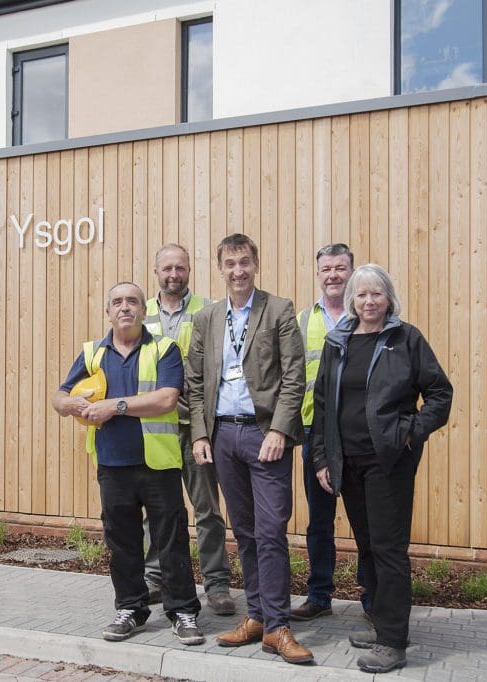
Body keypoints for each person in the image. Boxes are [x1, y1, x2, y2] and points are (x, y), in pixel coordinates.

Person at [310, 264, 452, 673]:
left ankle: (393, 641)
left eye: (377, 294)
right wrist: (322, 458)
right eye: (361, 295)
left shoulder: (405, 338)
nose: (369, 302)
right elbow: (321, 407)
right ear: (351, 301)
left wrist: (412, 432)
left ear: (389, 298)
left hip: (388, 462)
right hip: (347, 461)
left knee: (389, 550)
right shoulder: (339, 343)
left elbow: (440, 393)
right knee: (368, 545)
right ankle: (381, 621)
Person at [52, 282, 205, 646]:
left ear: (143, 310)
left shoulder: (164, 348)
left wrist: (114, 406)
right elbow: (59, 398)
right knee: (121, 543)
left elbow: (167, 398)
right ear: (109, 312)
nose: (125, 308)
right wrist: (72, 405)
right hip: (112, 463)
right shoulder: (92, 353)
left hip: (159, 464)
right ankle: (131, 609)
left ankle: (183, 611)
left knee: (171, 541)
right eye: (118, 302)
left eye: (132, 301)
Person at [185, 233, 313, 665]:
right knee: (244, 531)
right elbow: (196, 384)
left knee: (272, 530)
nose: (238, 270)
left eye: (244, 262)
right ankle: (257, 616)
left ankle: (278, 627)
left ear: (255, 264)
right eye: (230, 263)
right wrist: (200, 435)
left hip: (264, 436)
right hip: (223, 436)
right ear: (219, 268)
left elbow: (294, 376)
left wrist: (280, 429)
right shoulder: (206, 319)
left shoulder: (278, 309)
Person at [142, 244, 236, 616]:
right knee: (156, 510)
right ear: (156, 271)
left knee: (207, 510)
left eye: (180, 268)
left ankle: (216, 585)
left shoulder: (209, 311)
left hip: (197, 427)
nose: (173, 275)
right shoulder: (140, 312)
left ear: (189, 271)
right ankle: (155, 578)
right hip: (154, 429)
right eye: (167, 268)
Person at [290, 243, 355, 622]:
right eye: (326, 269)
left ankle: (372, 596)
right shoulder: (303, 320)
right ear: (318, 274)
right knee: (319, 519)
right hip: (315, 432)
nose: (332, 275)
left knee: (367, 519)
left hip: (358, 431)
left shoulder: (366, 311)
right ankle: (319, 595)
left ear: (351, 270)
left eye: (340, 268)